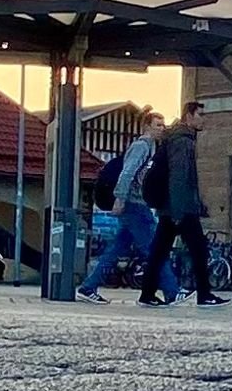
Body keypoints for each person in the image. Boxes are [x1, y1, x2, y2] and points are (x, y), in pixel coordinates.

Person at [140, 110, 223, 306]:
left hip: (173, 207)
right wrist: (179, 210)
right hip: (180, 208)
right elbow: (179, 176)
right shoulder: (182, 141)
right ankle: (205, 295)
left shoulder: (179, 139)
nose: (204, 118)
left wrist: (198, 203)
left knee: (159, 251)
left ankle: (147, 294)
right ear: (189, 117)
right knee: (199, 250)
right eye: (200, 114)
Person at [78, 126, 157, 299]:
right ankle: (172, 290)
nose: (162, 128)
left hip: (134, 204)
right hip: (134, 204)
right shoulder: (141, 146)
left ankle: (88, 287)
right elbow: (127, 173)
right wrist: (120, 198)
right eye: (158, 124)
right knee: (153, 249)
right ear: (147, 127)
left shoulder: (150, 147)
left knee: (116, 249)